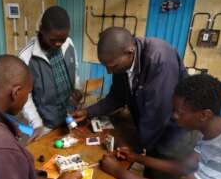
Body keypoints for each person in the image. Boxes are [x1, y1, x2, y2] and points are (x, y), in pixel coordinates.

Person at [100, 74, 221, 179]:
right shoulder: (215, 135)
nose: (174, 116)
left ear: (204, 115)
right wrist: (135, 157)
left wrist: (118, 171)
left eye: (179, 112)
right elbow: (184, 167)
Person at [73, 27, 195, 159]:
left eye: (112, 66)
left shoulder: (159, 59)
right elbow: (117, 97)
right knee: (148, 162)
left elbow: (158, 113)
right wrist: (88, 112)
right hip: (152, 128)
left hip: (174, 133)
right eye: (105, 66)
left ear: (129, 52)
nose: (109, 71)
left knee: (160, 173)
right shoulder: (121, 63)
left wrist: (134, 147)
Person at [19, 6, 82, 136]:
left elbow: (74, 69)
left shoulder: (68, 43)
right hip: (46, 124)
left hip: (70, 115)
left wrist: (77, 88)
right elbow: (25, 97)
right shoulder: (26, 57)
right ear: (41, 30)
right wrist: (37, 124)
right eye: (53, 39)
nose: (59, 44)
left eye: (62, 39)